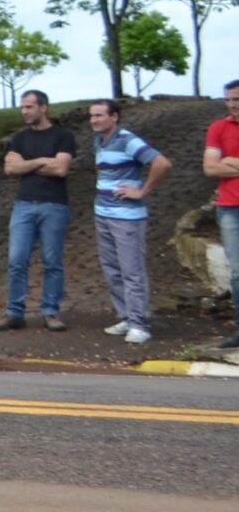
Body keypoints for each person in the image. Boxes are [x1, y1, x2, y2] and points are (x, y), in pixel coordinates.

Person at [0, 89, 75, 332]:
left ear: (43, 107)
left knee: (52, 261)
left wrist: (26, 164)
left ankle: (51, 311)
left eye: (29, 107)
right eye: (23, 107)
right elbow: (10, 170)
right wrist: (41, 161)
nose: (24, 111)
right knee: (17, 260)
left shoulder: (63, 136)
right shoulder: (19, 138)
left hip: (54, 205)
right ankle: (14, 313)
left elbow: (60, 170)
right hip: (24, 205)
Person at [88, 98, 170, 348]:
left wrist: (142, 191)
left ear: (114, 117)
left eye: (100, 115)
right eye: (92, 116)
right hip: (103, 213)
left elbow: (162, 163)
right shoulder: (99, 141)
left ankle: (139, 324)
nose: (94, 120)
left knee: (131, 271)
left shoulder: (127, 139)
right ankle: (126, 316)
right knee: (112, 269)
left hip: (127, 218)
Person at [206, 78, 239, 352]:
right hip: (229, 208)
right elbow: (210, 168)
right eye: (228, 99)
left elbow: (221, 164)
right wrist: (222, 163)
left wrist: (229, 161)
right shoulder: (219, 127)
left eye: (237, 99)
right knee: (238, 273)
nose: (232, 104)